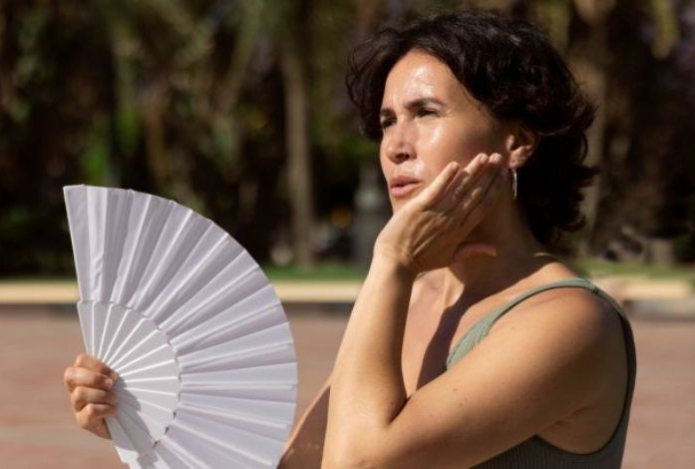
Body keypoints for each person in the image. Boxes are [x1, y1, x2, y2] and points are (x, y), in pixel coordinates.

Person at [64, 10, 636, 468]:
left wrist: (392, 260)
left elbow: (361, 462)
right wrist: (141, 419)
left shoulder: (569, 321)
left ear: (516, 142)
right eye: (387, 121)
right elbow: (301, 464)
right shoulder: (411, 297)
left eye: (425, 112)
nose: (396, 146)